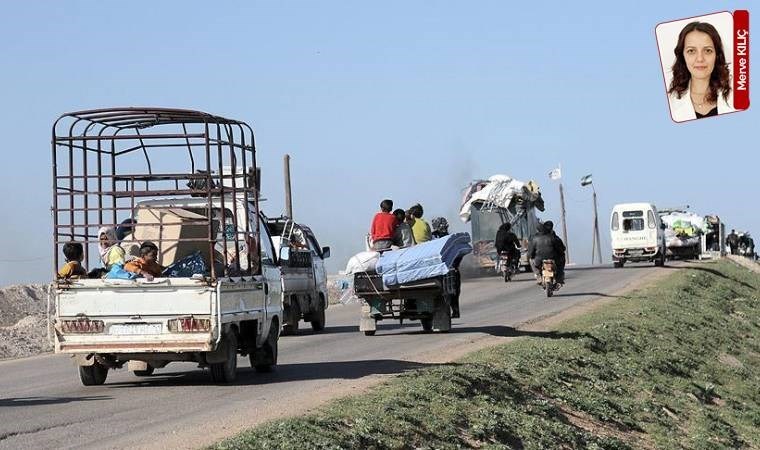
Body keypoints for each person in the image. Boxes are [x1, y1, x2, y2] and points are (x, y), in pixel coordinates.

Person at [667, 21, 734, 122]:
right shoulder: (670, 102)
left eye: (707, 50)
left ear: (717, 55)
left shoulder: (739, 94)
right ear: (682, 56)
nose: (700, 59)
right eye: (691, 51)